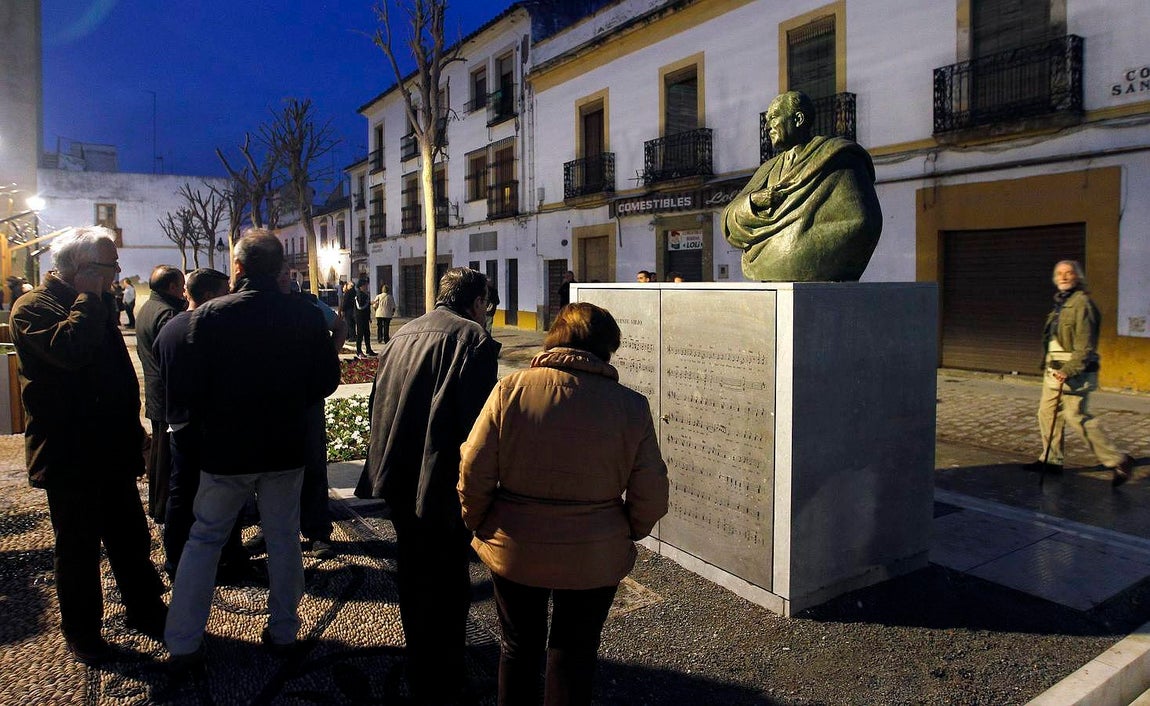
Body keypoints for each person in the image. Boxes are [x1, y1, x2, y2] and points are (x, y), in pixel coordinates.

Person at [459, 302, 669, 705]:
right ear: (608, 346)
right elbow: (651, 488)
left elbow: (474, 465)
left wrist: (477, 519)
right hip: (594, 550)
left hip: (515, 543)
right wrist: (629, 530)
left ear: (556, 336)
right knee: (574, 652)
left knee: (518, 647)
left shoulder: (511, 389)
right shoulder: (631, 406)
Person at [164, 230, 341, 666]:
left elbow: (185, 388)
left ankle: (183, 641)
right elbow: (326, 382)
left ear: (237, 267)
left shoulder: (206, 318)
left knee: (204, 539)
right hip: (285, 447)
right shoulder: (303, 316)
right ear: (280, 269)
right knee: (283, 538)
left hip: (226, 451)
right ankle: (284, 631)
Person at [10, 226, 167, 665]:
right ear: (81, 270)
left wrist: (133, 431)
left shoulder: (95, 303)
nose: (117, 272)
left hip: (111, 447)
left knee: (130, 537)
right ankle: (83, 632)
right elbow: (70, 350)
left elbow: (116, 372)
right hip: (70, 453)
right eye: (108, 265)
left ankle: (145, 609)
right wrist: (86, 300)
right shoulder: (32, 308)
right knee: (78, 549)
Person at [355, 267, 499, 703]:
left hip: (397, 474)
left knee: (414, 572)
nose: (487, 314)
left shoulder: (403, 334)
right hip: (438, 482)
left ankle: (420, 663)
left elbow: (378, 399)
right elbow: (479, 428)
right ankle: (447, 677)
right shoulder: (473, 340)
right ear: (476, 303)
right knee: (449, 580)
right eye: (487, 307)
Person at [152, 268, 257, 582]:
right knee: (225, 496)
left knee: (181, 497)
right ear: (211, 296)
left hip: (180, 425)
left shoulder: (169, 329)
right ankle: (227, 557)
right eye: (226, 291)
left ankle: (176, 560)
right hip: (211, 427)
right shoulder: (212, 329)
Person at [722, 90, 882, 282]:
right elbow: (728, 217)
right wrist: (753, 202)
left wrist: (793, 248)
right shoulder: (767, 168)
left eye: (773, 118)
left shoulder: (838, 159)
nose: (767, 127)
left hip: (809, 271)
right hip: (762, 264)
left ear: (798, 119)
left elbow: (862, 222)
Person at [1024, 260, 1135, 485]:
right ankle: (1051, 459)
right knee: (1046, 414)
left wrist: (1068, 370)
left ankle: (1118, 460)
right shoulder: (1061, 303)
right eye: (1060, 273)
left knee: (1076, 418)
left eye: (1069, 273)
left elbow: (1085, 346)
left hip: (1073, 371)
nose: (1064, 277)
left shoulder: (1081, 304)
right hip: (1053, 371)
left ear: (1077, 277)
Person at [135, 265, 188, 524]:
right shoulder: (168, 313)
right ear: (171, 287)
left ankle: (157, 505)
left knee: (159, 453)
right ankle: (165, 508)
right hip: (168, 393)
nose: (184, 290)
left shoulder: (147, 307)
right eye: (181, 285)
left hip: (156, 392)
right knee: (167, 456)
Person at [353, 277, 376, 357]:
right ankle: (359, 351)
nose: (366, 287)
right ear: (361, 286)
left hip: (365, 317)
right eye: (365, 285)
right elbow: (360, 306)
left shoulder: (365, 294)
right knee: (360, 334)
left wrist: (369, 317)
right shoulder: (359, 294)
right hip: (360, 317)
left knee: (367, 334)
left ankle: (368, 349)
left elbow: (366, 308)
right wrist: (368, 303)